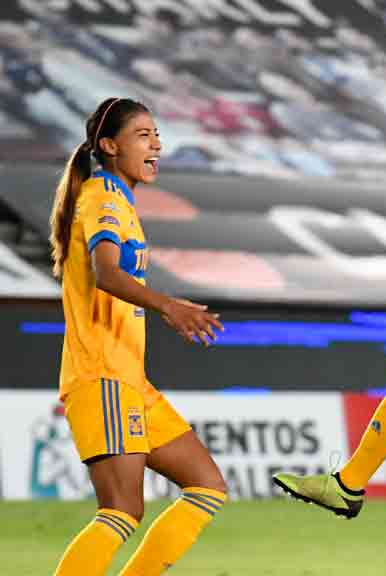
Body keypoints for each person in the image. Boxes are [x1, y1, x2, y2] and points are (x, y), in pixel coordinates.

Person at [49, 97, 227, 576]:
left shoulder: (117, 199)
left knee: (207, 485)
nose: (157, 144)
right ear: (109, 145)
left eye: (156, 135)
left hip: (129, 379)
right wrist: (169, 306)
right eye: (143, 135)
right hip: (101, 374)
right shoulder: (103, 198)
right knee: (121, 509)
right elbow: (105, 272)